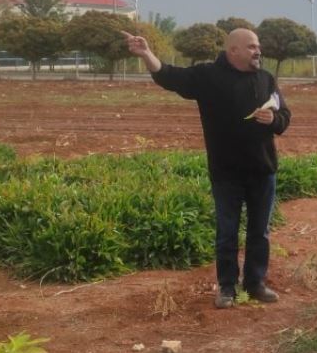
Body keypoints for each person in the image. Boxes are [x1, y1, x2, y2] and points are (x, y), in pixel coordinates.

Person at [122, 28, 290, 308]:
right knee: (227, 232)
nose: (257, 51)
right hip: (226, 172)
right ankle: (226, 287)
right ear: (232, 50)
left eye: (258, 46)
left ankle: (255, 283)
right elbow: (169, 76)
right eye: (251, 46)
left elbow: (285, 117)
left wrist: (273, 119)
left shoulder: (266, 78)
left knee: (259, 232)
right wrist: (146, 54)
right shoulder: (208, 76)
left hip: (262, 170)